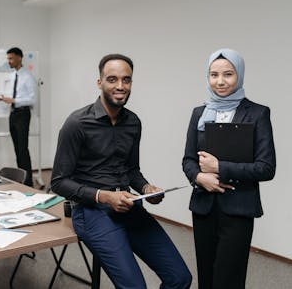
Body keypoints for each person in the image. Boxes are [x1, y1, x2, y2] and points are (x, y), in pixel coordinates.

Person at [51, 54, 192, 289]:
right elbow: (58, 182)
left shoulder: (133, 122)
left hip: (129, 206)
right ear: (100, 83)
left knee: (180, 278)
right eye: (112, 79)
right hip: (92, 212)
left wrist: (147, 188)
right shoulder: (76, 123)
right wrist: (105, 196)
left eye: (126, 80)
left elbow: (132, 170)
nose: (120, 86)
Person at [182, 48, 276, 289]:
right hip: (203, 207)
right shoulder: (199, 113)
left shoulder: (257, 113)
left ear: (240, 76)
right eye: (214, 75)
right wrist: (200, 177)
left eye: (228, 74)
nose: (220, 81)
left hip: (238, 208)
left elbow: (266, 168)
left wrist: (220, 167)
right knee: (206, 275)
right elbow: (188, 160)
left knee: (229, 279)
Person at [0, 47, 37, 187]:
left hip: (23, 114)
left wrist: (14, 101)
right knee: (17, 149)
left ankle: (28, 182)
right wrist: (3, 98)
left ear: (20, 58)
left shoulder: (28, 76)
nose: (9, 61)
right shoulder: (12, 76)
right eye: (8, 58)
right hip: (13, 114)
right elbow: (11, 94)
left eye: (11, 58)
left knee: (22, 149)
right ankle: (21, 179)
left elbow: (32, 100)